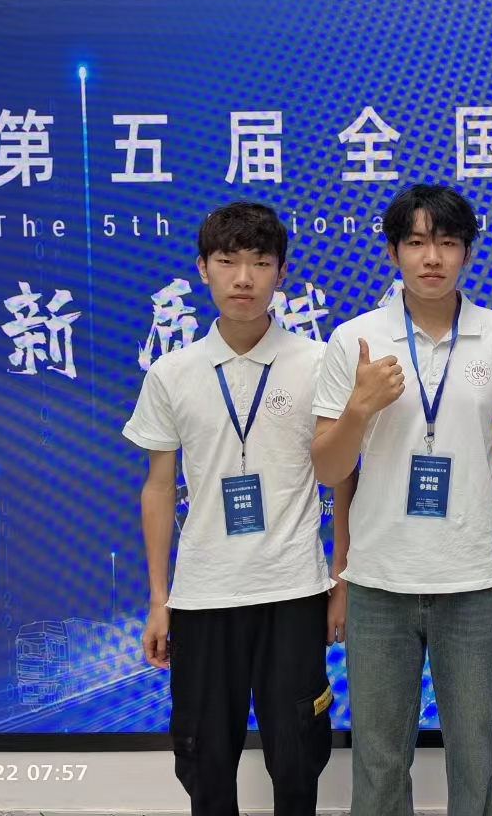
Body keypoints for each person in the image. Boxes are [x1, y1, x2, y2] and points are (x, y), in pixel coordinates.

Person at [310, 183, 492, 816]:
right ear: (393, 252)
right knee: (379, 765)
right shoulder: (356, 340)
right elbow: (328, 466)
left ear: (467, 251)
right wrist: (359, 408)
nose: (432, 257)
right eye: (416, 243)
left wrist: (471, 471)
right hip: (379, 582)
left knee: (476, 761)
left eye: (447, 242)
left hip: (472, 581)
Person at [124, 201, 344, 816]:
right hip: (203, 595)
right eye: (227, 261)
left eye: (260, 262)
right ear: (203, 269)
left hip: (293, 590)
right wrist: (160, 599)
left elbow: (345, 478)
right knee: (204, 758)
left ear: (281, 272)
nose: (243, 278)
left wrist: (341, 580)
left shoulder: (318, 363)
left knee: (298, 755)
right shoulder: (172, 373)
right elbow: (158, 488)